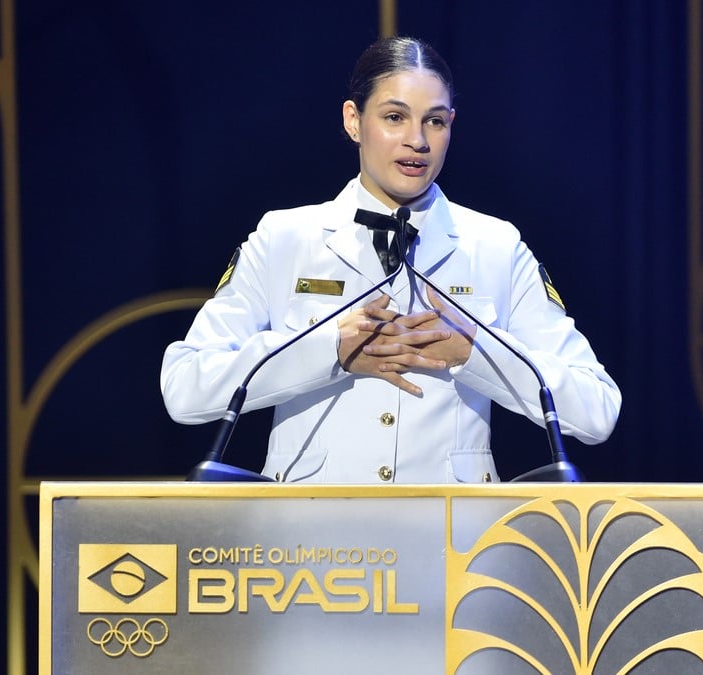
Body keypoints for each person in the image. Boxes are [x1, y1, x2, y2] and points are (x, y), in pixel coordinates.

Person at [161, 36, 620, 483]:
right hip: (309, 543)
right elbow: (185, 388)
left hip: (454, 543)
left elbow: (596, 409)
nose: (416, 140)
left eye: (435, 121)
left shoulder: (495, 247)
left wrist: (474, 351)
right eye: (395, 117)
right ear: (353, 120)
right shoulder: (284, 238)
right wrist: (328, 351)